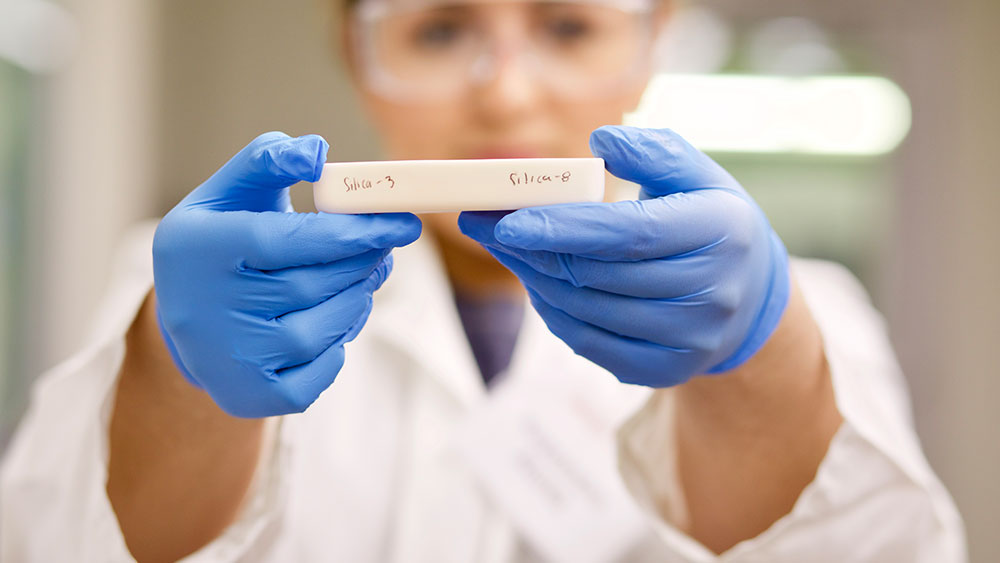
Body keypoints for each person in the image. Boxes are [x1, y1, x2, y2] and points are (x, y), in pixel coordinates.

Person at [0, 0, 965, 561]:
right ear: (357, 53)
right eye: (438, 30)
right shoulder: (180, 287)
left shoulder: (811, 312)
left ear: (652, 38)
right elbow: (64, 540)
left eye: (570, 26)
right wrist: (175, 375)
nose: (505, 90)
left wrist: (765, 360)